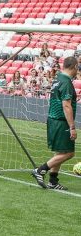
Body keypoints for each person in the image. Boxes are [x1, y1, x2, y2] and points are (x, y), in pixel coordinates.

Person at [31, 56, 78, 190]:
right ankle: (40, 170)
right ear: (75, 67)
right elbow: (66, 105)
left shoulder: (58, 78)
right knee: (69, 153)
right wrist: (72, 127)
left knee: (61, 151)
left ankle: (53, 181)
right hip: (61, 121)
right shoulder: (66, 82)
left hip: (53, 119)